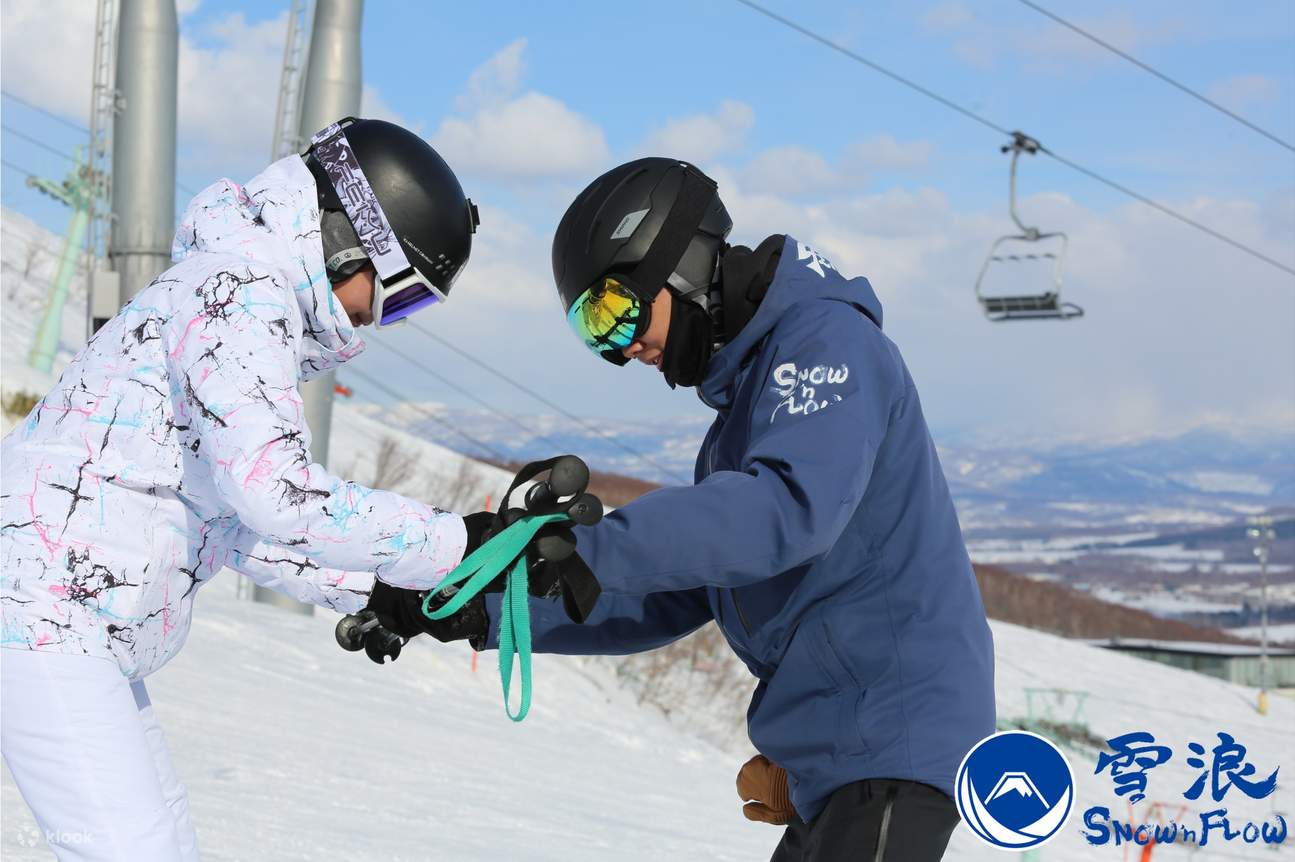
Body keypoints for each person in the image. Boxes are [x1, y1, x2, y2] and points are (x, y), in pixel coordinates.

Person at [407, 157, 996, 861]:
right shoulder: (738, 425)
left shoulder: (826, 342)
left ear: (679, 265)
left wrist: (568, 540)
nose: (621, 349)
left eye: (613, 311)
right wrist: (490, 611)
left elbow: (785, 511)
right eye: (593, 332)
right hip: (844, 759)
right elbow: (674, 595)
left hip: (892, 738)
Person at [0, 118, 483, 861]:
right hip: (43, 615)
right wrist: (455, 544)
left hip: (77, 620)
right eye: (401, 295)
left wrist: (378, 591)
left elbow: (227, 523)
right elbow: (276, 494)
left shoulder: (239, 294)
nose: (383, 318)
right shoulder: (238, 289)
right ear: (351, 236)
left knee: (157, 846)